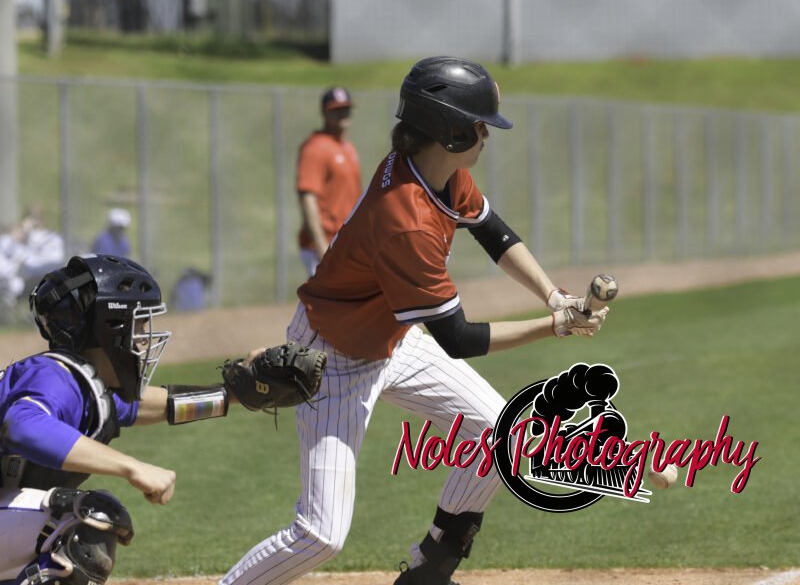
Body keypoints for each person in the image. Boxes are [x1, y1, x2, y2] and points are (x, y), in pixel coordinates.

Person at [221, 56, 611, 585]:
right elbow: (459, 337)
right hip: (332, 358)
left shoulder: (437, 173)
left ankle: (430, 570)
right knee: (320, 536)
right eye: (479, 126)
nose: (486, 135)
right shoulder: (406, 218)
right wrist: (556, 325)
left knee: (500, 434)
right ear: (450, 133)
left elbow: (492, 230)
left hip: (393, 338)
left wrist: (553, 295)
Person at [0, 254, 266, 585]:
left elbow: (155, 405)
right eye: (138, 325)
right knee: (83, 519)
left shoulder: (84, 388)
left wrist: (234, 394)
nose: (145, 338)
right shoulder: (53, 376)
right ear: (107, 328)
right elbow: (23, 426)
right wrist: (131, 467)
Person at [296, 86, 362, 277]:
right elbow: (307, 199)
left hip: (345, 243)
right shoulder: (315, 147)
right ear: (324, 112)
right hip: (325, 244)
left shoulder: (347, 147)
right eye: (336, 109)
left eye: (345, 108)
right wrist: (322, 248)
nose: (342, 113)